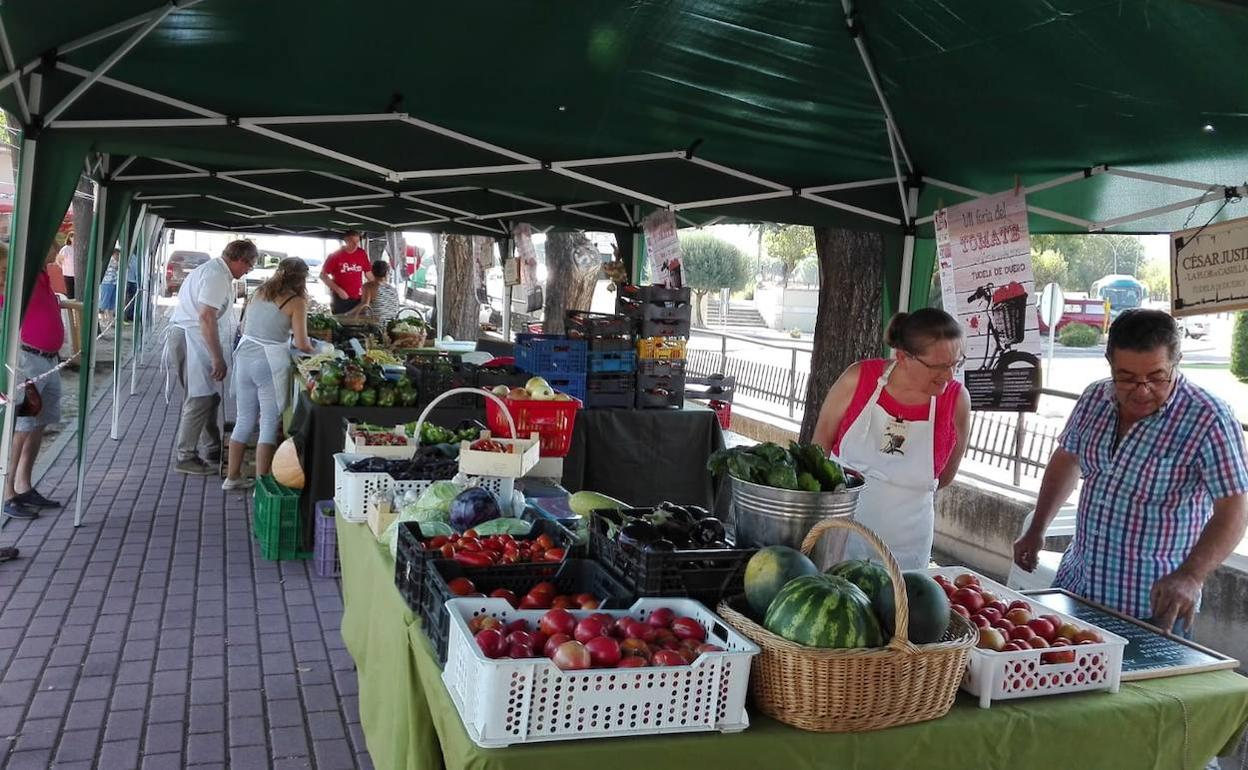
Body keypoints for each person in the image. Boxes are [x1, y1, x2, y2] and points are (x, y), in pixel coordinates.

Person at [1014, 309, 1248, 634]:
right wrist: (1037, 527)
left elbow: (1234, 508)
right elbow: (1068, 458)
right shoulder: (1095, 397)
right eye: (1126, 377)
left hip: (1149, 609)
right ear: (1109, 362)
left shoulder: (1210, 419)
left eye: (1156, 376)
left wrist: (1191, 576)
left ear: (1177, 361)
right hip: (1074, 587)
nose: (1141, 390)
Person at [812, 308, 972, 570]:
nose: (949, 375)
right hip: (840, 533)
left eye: (955, 363)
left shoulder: (956, 401)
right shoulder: (858, 379)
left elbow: (945, 476)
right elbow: (818, 449)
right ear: (903, 356)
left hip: (907, 545)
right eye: (939, 366)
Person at [165, 240, 256, 475]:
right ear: (240, 260)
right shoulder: (216, 275)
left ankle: (213, 446)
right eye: (249, 266)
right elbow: (206, 317)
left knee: (208, 397)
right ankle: (185, 456)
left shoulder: (218, 272)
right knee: (199, 398)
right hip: (192, 340)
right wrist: (217, 357)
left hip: (195, 339)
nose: (248, 271)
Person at [224, 258, 316, 490]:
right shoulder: (297, 301)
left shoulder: (259, 291)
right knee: (267, 422)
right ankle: (261, 485)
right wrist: (321, 350)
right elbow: (303, 343)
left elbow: (244, 327)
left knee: (243, 419)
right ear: (302, 279)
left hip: (244, 355)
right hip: (269, 362)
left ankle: (232, 477)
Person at [0, 243, 66, 520]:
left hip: (49, 361)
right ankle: (8, 492)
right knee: (22, 428)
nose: (53, 250)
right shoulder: (12, 284)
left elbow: (51, 248)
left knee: (39, 423)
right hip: (26, 361)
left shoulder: (39, 275)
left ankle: (24, 484)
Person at [320, 230, 373, 315]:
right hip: (340, 299)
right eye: (352, 242)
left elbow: (368, 274)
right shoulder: (335, 255)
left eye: (357, 241)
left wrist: (378, 285)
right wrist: (338, 290)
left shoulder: (361, 253)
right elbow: (323, 275)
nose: (355, 244)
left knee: (358, 323)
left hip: (358, 298)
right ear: (346, 240)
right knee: (341, 323)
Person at [98, 248, 120, 327]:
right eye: (116, 254)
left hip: (114, 283)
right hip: (106, 283)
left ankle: (110, 319)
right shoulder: (110, 261)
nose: (118, 256)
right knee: (104, 301)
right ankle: (102, 319)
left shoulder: (117, 261)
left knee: (111, 303)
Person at [123, 248, 139, 322]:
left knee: (130, 300)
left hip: (132, 281)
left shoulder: (133, 258)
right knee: (128, 300)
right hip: (129, 281)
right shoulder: (133, 258)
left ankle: (129, 315)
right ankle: (127, 315)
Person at [56, 234, 75, 299]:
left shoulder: (78, 248)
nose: (74, 239)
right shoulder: (66, 249)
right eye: (72, 237)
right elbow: (58, 259)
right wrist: (63, 267)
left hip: (77, 274)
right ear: (69, 238)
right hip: (68, 273)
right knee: (70, 293)